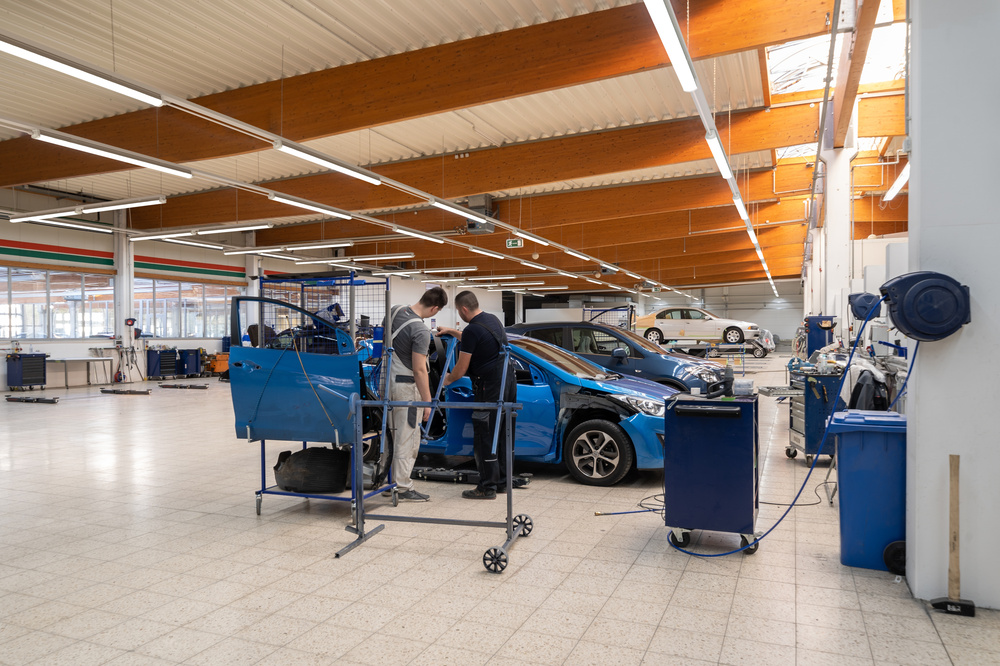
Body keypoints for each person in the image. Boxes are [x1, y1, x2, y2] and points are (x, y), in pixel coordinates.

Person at [440, 291, 517, 500]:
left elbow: (461, 369)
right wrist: (451, 331)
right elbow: (475, 341)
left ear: (464, 309)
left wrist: (447, 379)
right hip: (507, 384)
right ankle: (502, 482)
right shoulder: (492, 320)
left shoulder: (472, 329)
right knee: (502, 434)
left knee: (485, 435)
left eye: (458, 311)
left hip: (489, 387)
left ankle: (486, 487)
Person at [385, 286, 447, 501]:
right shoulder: (420, 331)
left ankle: (388, 482)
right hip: (407, 390)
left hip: (387, 383)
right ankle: (402, 487)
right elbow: (420, 369)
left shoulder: (394, 311)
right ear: (435, 308)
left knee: (391, 435)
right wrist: (428, 402)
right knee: (407, 437)